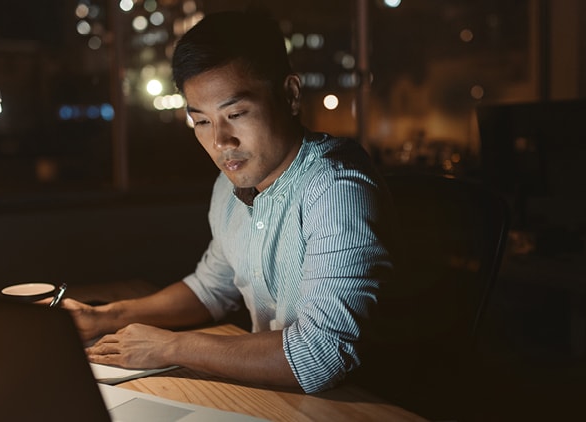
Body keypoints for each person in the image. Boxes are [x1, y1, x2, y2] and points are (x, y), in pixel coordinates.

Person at [61, 9, 392, 394]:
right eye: (201, 121)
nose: (220, 141)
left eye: (235, 113)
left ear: (290, 94)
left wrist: (170, 346)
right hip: (279, 397)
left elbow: (319, 356)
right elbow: (211, 289)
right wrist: (105, 316)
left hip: (359, 405)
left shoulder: (337, 189)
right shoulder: (230, 183)